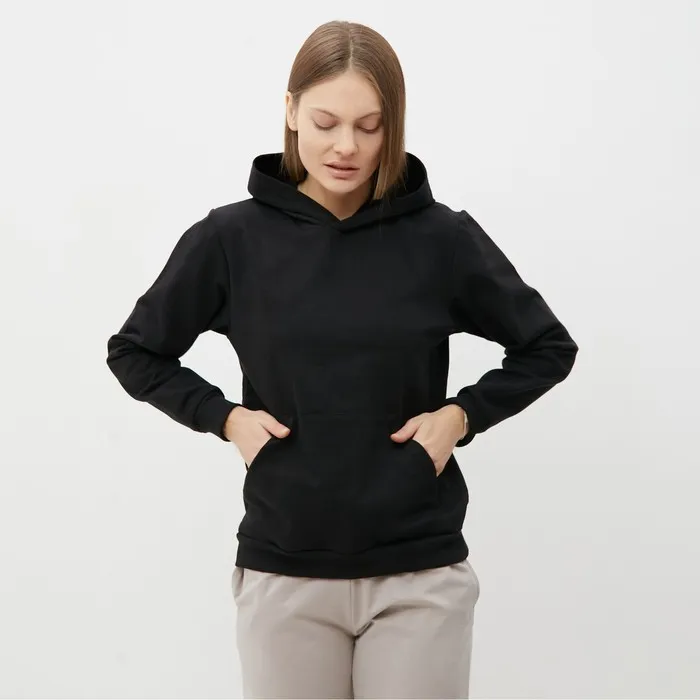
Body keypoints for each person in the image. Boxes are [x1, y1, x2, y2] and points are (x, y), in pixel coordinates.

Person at [106, 19, 578, 700]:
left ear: (394, 127)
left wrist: (460, 417)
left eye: (370, 126)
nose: (346, 146)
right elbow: (135, 350)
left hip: (418, 574)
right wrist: (225, 418)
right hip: (285, 571)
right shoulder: (230, 240)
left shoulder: (441, 239)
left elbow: (546, 347)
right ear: (291, 110)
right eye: (326, 122)